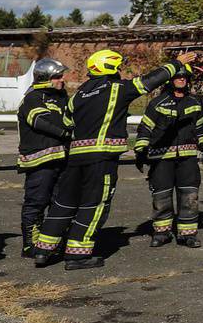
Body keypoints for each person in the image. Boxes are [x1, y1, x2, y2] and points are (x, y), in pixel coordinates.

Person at [34, 48, 191, 270]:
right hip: (102, 160)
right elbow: (149, 82)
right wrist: (176, 64)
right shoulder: (118, 89)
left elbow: (67, 124)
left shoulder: (78, 94)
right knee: (94, 205)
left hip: (75, 159)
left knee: (63, 204)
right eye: (117, 67)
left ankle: (43, 251)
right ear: (109, 67)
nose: (119, 71)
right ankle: (77, 256)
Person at [135, 67, 203, 247]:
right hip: (161, 158)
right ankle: (162, 233)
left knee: (189, 196)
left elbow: (201, 128)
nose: (181, 79)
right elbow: (145, 128)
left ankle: (188, 234)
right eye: (178, 77)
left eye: (184, 77)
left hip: (187, 159)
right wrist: (140, 151)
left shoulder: (194, 102)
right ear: (170, 80)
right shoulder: (158, 103)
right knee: (161, 196)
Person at [16, 57, 71, 258]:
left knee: (58, 202)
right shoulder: (33, 97)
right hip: (40, 162)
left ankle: (51, 242)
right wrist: (66, 134)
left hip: (61, 159)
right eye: (58, 76)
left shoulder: (62, 97)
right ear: (46, 78)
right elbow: (40, 121)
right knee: (36, 202)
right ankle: (30, 244)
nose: (62, 79)